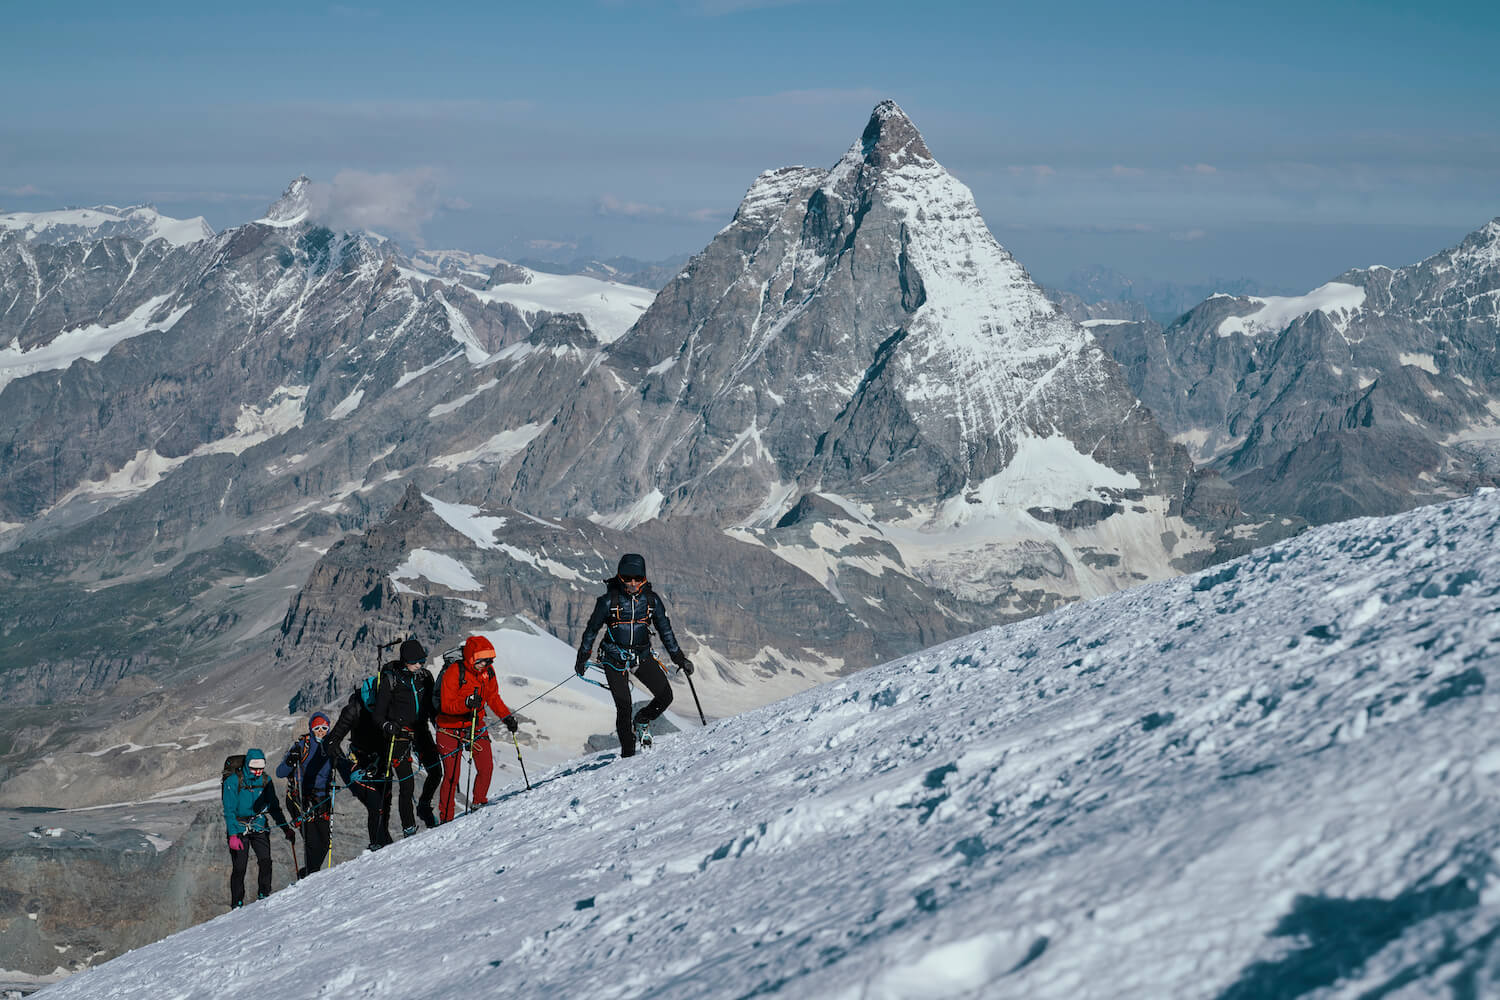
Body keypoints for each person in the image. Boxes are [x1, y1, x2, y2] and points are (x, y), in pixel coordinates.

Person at [574, 553, 693, 757]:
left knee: (665, 696)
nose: (633, 583)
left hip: (641, 655)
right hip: (613, 658)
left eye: (637, 579)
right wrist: (582, 657)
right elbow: (591, 630)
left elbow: (665, 631)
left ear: (643, 579)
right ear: (620, 577)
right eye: (628, 578)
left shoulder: (651, 601)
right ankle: (628, 754)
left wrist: (679, 658)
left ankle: (643, 719)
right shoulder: (607, 601)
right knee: (624, 706)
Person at [433, 635, 519, 822]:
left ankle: (479, 803)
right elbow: (447, 705)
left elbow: (493, 698)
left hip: (474, 725)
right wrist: (467, 703)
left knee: (486, 766)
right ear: (471, 658)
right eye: (481, 661)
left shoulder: (488, 672)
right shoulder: (455, 671)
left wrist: (507, 718)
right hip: (449, 727)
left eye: (489, 661)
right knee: (452, 776)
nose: (485, 664)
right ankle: (446, 819)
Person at [368, 638, 429, 841]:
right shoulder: (390, 680)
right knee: (407, 784)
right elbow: (377, 715)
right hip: (397, 739)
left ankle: (420, 816)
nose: (420, 664)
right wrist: (387, 725)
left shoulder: (421, 677)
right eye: (417, 661)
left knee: (436, 770)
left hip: (418, 733)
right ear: (406, 661)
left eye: (423, 660)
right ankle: (409, 827)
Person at [221, 748, 292, 909]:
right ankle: (237, 903)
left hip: (258, 824)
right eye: (255, 768)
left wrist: (285, 828)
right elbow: (229, 811)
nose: (258, 771)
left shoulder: (266, 781)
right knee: (240, 867)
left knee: (265, 861)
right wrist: (233, 834)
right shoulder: (233, 781)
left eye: (261, 768)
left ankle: (264, 894)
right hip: (238, 828)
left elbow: (274, 807)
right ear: (247, 765)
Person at [276, 712, 334, 876]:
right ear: (311, 728)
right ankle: (310, 877)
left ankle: (308, 873)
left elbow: (344, 767)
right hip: (299, 799)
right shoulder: (301, 746)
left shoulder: (332, 746)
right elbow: (280, 772)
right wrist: (290, 761)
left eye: (324, 727)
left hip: (322, 799)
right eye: (317, 728)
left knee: (324, 842)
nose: (321, 731)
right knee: (312, 842)